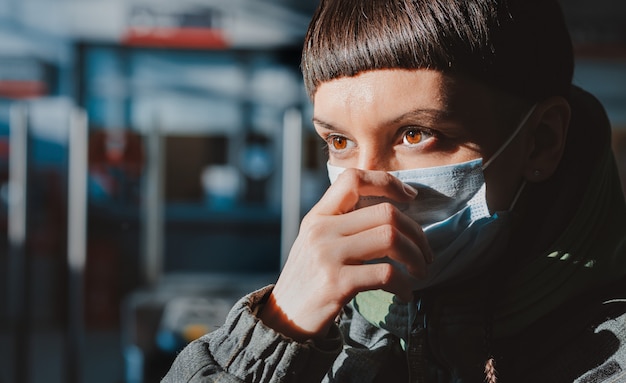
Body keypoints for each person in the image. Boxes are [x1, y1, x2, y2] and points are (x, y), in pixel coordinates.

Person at [162, 0, 626, 381]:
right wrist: (276, 330)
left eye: (413, 134)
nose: (365, 188)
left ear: (540, 142)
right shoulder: (328, 330)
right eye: (339, 141)